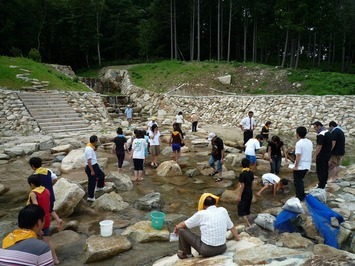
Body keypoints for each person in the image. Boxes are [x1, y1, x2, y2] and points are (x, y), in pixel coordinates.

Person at [173, 193, 240, 260]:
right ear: (214, 202)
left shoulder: (201, 214)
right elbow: (231, 226)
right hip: (222, 248)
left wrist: (177, 227)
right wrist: (238, 239)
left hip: (207, 251)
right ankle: (187, 254)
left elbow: (183, 224)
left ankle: (188, 255)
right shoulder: (223, 210)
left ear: (203, 204)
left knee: (182, 230)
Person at [27, 174, 59, 264]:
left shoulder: (33, 193)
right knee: (47, 240)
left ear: (32, 184)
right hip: (46, 218)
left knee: (35, 239)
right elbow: (48, 206)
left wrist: (39, 226)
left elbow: (36, 208)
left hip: (38, 220)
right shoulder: (46, 190)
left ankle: (35, 260)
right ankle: (55, 259)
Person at [29, 157, 62, 230]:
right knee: (50, 209)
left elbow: (35, 188)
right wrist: (50, 185)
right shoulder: (48, 170)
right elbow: (55, 179)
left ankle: (43, 228)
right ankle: (58, 220)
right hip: (50, 194)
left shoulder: (35, 176)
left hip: (42, 196)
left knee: (43, 212)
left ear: (32, 166)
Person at [293, 126, 313, 201]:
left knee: (297, 181)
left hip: (300, 165)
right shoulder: (309, 142)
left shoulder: (299, 143)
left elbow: (298, 155)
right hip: (307, 165)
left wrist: (295, 166)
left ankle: (299, 197)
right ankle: (302, 194)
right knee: (300, 180)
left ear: (297, 134)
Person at [85, 135, 105, 202]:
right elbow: (88, 161)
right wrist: (92, 170)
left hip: (94, 165)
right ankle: (90, 197)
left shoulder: (90, 146)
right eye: (97, 140)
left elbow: (93, 148)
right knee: (92, 182)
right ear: (95, 141)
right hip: (92, 166)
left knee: (101, 175)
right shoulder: (89, 149)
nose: (97, 142)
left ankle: (99, 187)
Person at [312, 121, 332, 189]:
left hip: (321, 155)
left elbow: (319, 146)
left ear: (319, 126)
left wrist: (315, 155)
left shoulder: (321, 134)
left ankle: (321, 184)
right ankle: (324, 182)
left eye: (315, 127)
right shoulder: (327, 132)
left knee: (320, 170)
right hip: (327, 154)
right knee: (325, 169)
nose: (315, 129)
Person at [236, 158, 254, 227]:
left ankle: (248, 224)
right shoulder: (251, 172)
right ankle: (247, 221)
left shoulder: (242, 174)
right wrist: (251, 190)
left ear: (242, 165)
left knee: (241, 208)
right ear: (249, 165)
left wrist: (239, 196)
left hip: (244, 193)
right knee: (247, 207)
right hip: (249, 192)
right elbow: (252, 183)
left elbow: (242, 186)